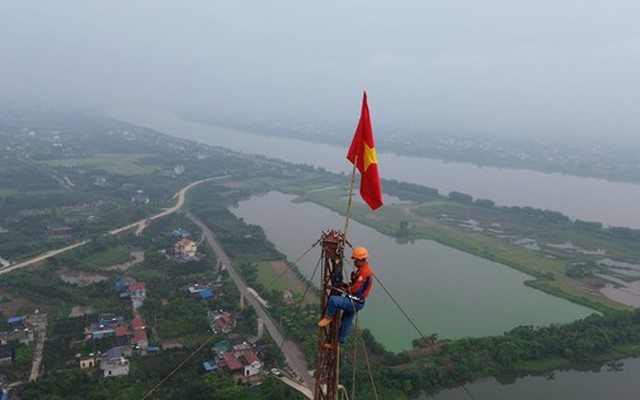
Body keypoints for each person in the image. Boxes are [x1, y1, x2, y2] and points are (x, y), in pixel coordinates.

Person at [318, 246, 374, 344]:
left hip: (354, 302)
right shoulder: (364, 269)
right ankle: (341, 339)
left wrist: (345, 289)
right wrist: (346, 286)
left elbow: (355, 289)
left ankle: (328, 317)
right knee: (346, 321)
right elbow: (356, 286)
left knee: (333, 300)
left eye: (356, 261)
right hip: (358, 302)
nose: (355, 263)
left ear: (361, 260)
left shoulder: (364, 273)